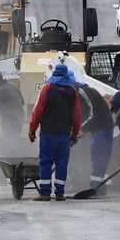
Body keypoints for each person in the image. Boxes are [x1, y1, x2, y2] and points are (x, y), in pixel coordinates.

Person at [28, 64, 81, 202]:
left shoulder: (47, 88)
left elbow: (37, 110)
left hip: (48, 133)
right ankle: (60, 194)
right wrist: (75, 133)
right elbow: (76, 115)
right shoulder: (72, 91)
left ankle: (45, 193)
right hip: (64, 134)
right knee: (62, 164)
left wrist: (32, 129)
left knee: (45, 162)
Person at [0, 69, 25, 186]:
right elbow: (22, 102)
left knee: (6, 150)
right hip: (19, 122)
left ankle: (6, 178)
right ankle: (14, 177)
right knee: (11, 148)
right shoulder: (14, 86)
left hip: (10, 123)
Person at [77, 82, 114, 196]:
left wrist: (83, 129)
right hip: (101, 128)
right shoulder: (88, 91)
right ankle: (100, 188)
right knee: (99, 158)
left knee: (97, 158)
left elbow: (91, 114)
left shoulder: (84, 92)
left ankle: (95, 188)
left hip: (100, 129)